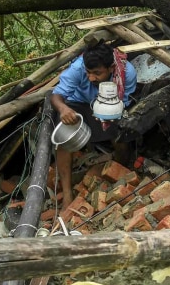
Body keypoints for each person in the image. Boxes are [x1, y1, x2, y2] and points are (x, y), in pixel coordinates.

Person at [50, 41, 137, 211]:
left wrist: (108, 115)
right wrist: (63, 109)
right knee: (64, 140)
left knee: (121, 133)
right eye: (88, 73)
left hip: (110, 105)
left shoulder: (127, 73)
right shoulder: (78, 67)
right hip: (78, 103)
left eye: (97, 73)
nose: (91, 78)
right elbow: (56, 96)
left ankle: (119, 174)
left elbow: (123, 103)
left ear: (111, 68)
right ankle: (68, 195)